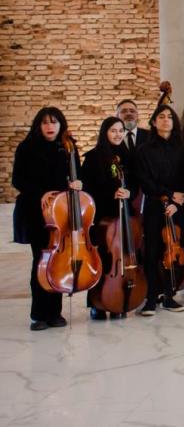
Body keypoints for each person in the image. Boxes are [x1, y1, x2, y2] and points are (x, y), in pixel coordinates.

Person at [12, 107, 80, 330]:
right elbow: (18, 180)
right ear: (38, 126)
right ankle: (38, 314)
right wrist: (41, 193)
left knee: (58, 262)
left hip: (60, 214)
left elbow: (76, 176)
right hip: (36, 212)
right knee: (41, 262)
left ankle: (55, 313)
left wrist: (78, 184)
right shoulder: (27, 147)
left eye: (54, 122)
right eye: (45, 123)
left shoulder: (68, 148)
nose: (50, 127)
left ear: (61, 125)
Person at [82, 117, 139, 320]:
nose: (117, 134)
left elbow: (136, 182)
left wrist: (129, 192)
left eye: (120, 130)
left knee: (124, 256)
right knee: (104, 260)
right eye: (113, 130)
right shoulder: (93, 157)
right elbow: (87, 189)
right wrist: (111, 193)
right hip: (103, 215)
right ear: (105, 132)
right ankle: (97, 303)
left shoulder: (129, 156)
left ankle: (120, 299)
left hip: (124, 214)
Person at [134, 105, 184, 316]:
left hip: (177, 207)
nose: (165, 120)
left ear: (174, 122)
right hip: (155, 206)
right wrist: (169, 194)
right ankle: (150, 298)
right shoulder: (143, 150)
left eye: (169, 117)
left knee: (174, 251)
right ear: (154, 122)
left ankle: (169, 296)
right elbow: (145, 181)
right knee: (153, 252)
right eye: (161, 117)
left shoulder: (183, 148)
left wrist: (178, 201)